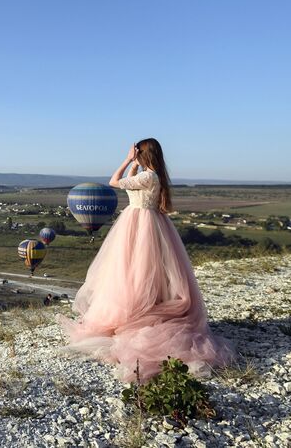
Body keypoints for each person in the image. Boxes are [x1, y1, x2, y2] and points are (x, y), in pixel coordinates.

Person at [59, 138, 233, 382]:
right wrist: (134, 163)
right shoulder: (151, 176)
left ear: (144, 154)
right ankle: (143, 308)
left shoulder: (148, 176)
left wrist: (127, 159)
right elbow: (131, 184)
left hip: (139, 224)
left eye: (138, 152)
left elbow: (113, 182)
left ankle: (137, 312)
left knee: (136, 270)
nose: (135, 156)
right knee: (141, 269)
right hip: (146, 222)